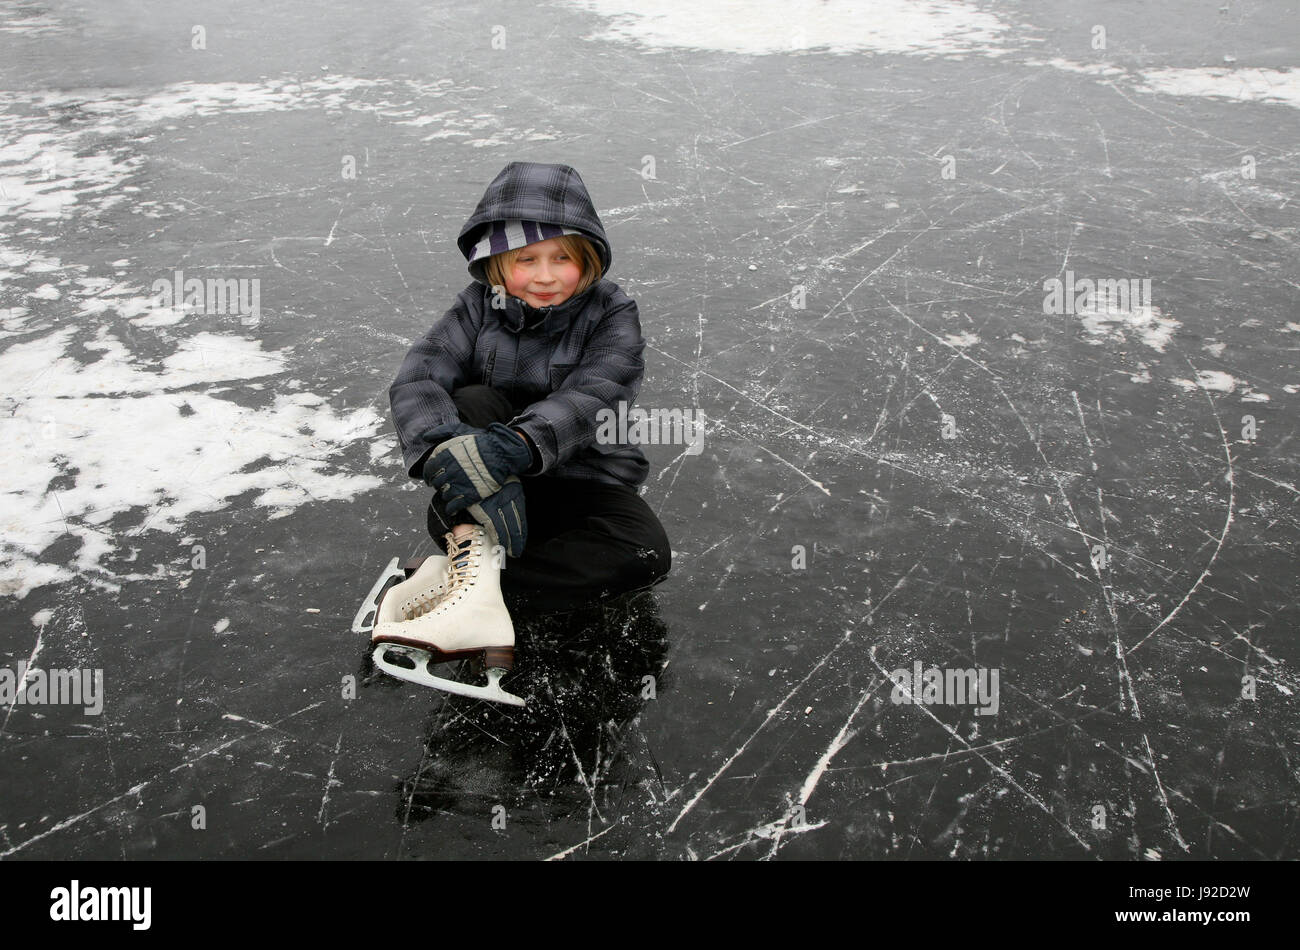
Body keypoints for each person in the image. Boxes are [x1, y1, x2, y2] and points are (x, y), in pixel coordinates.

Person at [372, 161, 672, 701]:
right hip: (485, 488)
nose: (545, 275)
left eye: (563, 258)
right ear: (495, 263)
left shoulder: (612, 312)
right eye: (526, 259)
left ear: (588, 259)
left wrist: (519, 445)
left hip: (583, 473)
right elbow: (419, 374)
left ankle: (465, 581)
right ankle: (475, 557)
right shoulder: (474, 308)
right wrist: (447, 450)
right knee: (470, 399)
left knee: (643, 555)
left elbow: (600, 392)